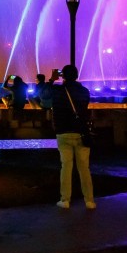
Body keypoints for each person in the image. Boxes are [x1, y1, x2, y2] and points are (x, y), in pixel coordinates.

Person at [49, 64, 95, 209]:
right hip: (81, 132)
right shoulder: (84, 91)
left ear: (63, 76)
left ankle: (65, 200)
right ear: (76, 76)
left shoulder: (57, 91)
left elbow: (42, 94)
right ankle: (89, 200)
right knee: (84, 168)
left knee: (66, 167)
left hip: (63, 132)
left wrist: (52, 79)